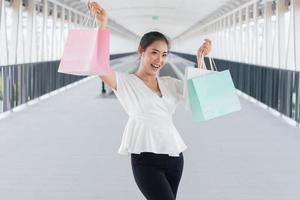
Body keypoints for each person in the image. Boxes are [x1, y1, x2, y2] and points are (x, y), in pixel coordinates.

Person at [88, 2, 212, 200]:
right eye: (154, 52)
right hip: (145, 159)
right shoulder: (126, 82)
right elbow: (98, 66)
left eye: (164, 55)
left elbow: (200, 95)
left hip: (174, 156)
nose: (159, 60)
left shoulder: (170, 83)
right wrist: (102, 25)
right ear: (141, 51)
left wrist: (201, 58)